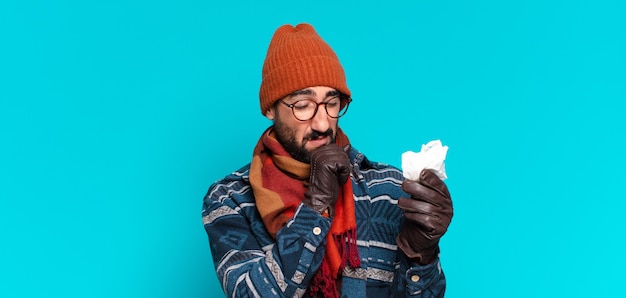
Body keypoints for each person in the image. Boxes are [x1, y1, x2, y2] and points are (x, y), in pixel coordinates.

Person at [202, 23, 453, 298]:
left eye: (331, 103)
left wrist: (422, 255)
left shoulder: (389, 189)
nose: (322, 123)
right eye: (303, 105)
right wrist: (315, 206)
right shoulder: (231, 198)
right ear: (270, 109)